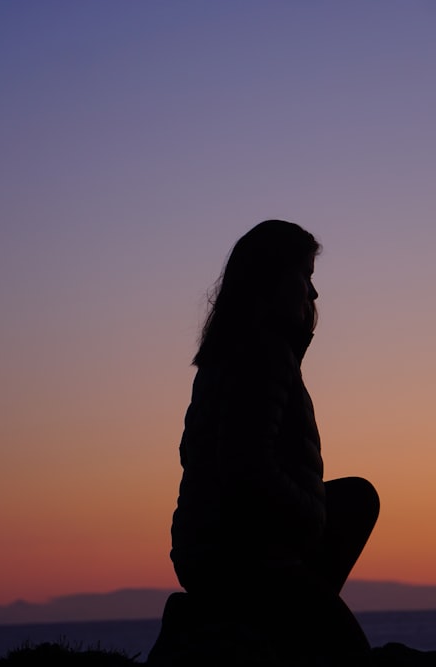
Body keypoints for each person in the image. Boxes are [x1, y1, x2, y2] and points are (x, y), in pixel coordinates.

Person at [149, 220, 380, 665]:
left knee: (354, 499)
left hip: (211, 547)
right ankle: (244, 619)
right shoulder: (261, 353)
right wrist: (306, 517)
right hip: (240, 556)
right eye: (306, 276)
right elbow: (243, 467)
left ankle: (262, 617)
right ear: (273, 279)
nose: (314, 295)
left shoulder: (234, 354)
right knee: (351, 654)